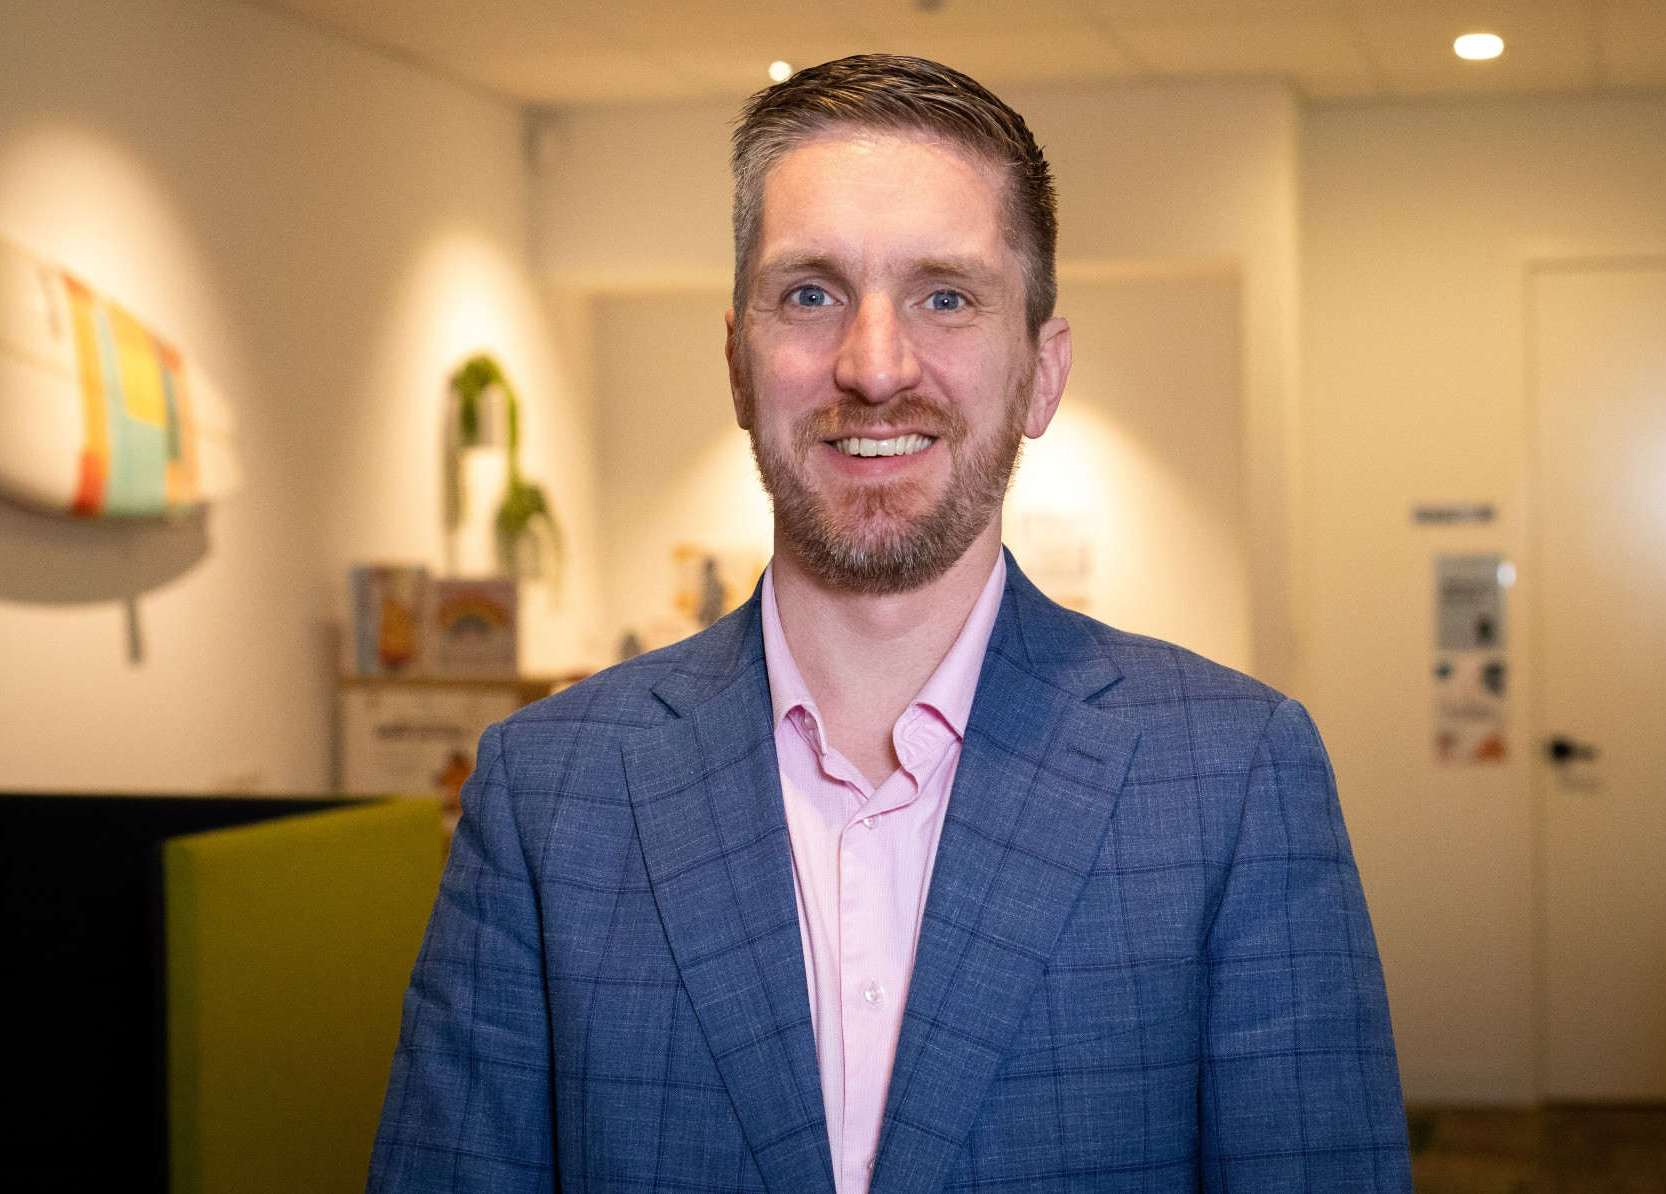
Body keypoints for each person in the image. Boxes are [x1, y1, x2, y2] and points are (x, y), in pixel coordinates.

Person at [369, 55, 1410, 1193]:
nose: (873, 367)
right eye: (810, 293)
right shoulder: (548, 793)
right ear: (736, 361)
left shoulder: (1233, 777)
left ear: (1041, 375)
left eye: (945, 296)